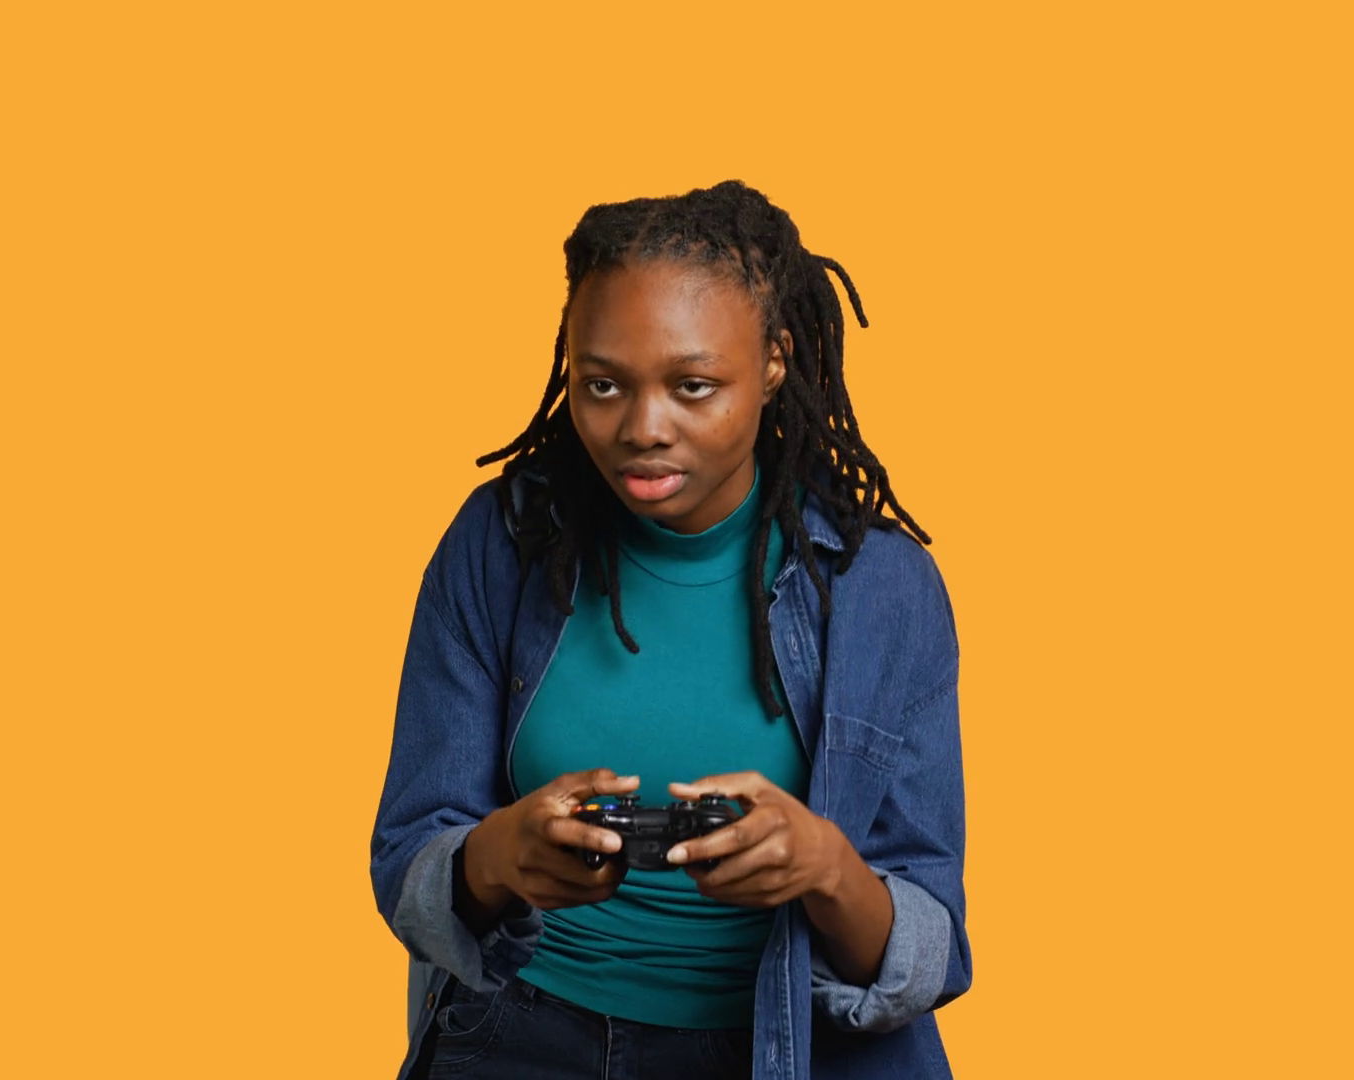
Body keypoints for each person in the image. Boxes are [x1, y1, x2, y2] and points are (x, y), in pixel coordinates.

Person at [370, 180, 970, 1080]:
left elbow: (930, 951)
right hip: (520, 1032)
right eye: (602, 384)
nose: (642, 429)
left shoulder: (881, 587)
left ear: (775, 361)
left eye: (694, 386)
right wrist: (499, 857)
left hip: (784, 1051)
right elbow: (408, 860)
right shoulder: (501, 544)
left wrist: (825, 867)